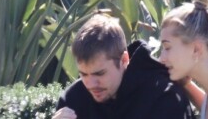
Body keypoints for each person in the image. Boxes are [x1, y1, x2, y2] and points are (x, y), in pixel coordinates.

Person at [52, 13, 195, 119]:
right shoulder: (73, 100)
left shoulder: (163, 98)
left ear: (124, 60)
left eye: (99, 73)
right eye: (83, 74)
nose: (90, 84)